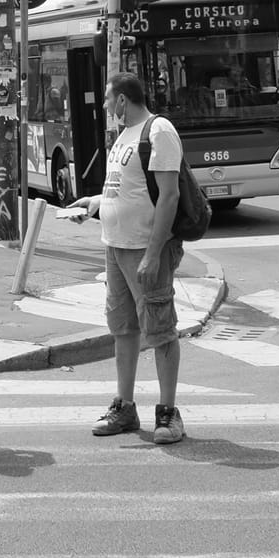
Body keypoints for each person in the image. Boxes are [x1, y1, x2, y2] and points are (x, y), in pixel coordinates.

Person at [58, 73, 190, 444]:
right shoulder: (124, 137)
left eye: (106, 99)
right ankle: (125, 407)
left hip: (145, 249)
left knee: (160, 329)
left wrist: (152, 254)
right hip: (116, 247)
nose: (103, 106)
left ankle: (168, 414)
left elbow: (169, 197)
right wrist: (94, 205)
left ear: (121, 101)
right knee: (123, 329)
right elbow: (125, 190)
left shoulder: (158, 131)